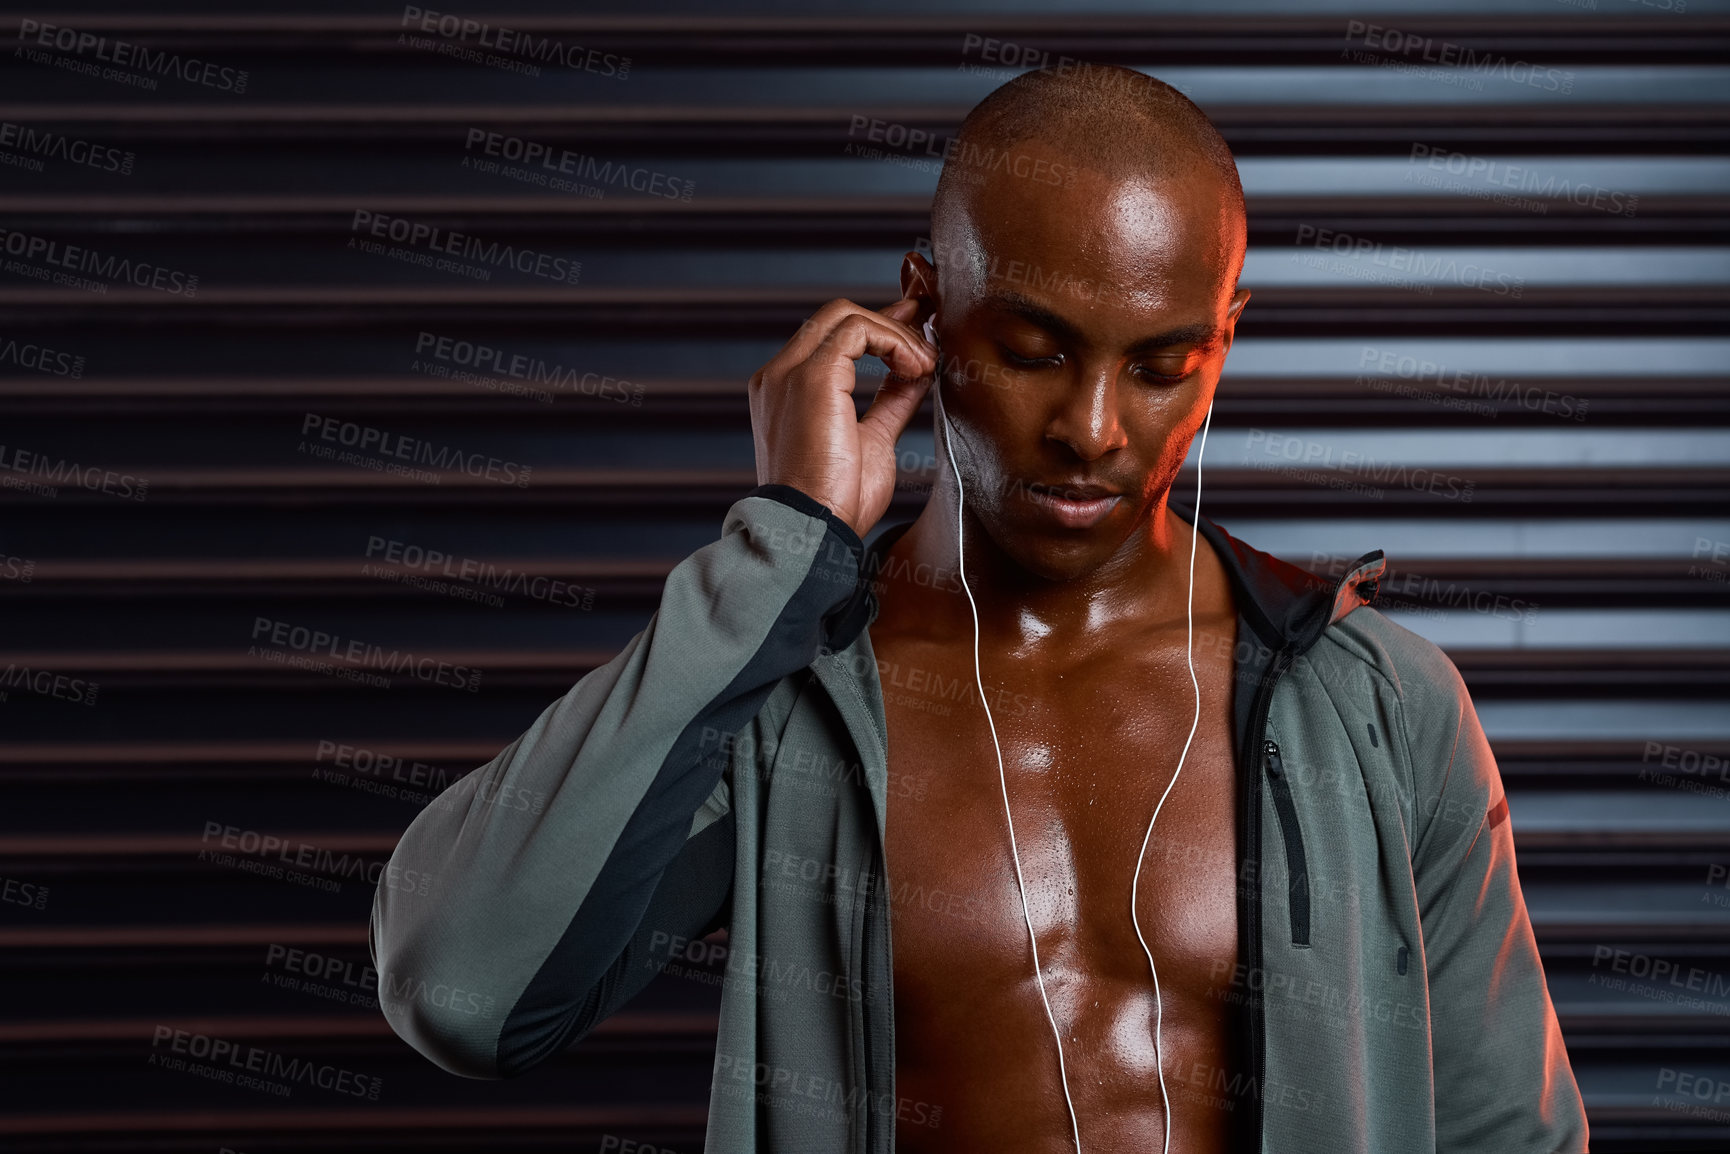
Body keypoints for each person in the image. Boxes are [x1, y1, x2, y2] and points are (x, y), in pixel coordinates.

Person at [370, 63, 1588, 1153]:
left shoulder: (1373, 703)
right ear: (925, 307)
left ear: (1226, 337)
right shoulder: (787, 695)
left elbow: (1506, 1133)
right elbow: (462, 994)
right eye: (1032, 349)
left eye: (1163, 366)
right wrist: (776, 554)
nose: (1093, 429)